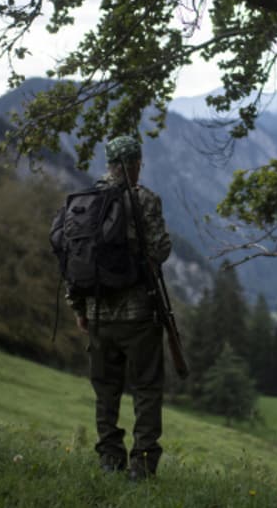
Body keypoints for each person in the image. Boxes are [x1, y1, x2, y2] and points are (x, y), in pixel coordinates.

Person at [65, 135, 172, 480]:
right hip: (138, 316)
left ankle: (110, 460)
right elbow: (159, 250)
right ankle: (141, 466)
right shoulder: (145, 200)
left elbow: (74, 260)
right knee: (146, 389)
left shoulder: (85, 202)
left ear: (109, 164)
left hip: (96, 315)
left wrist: (79, 308)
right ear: (136, 163)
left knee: (106, 391)